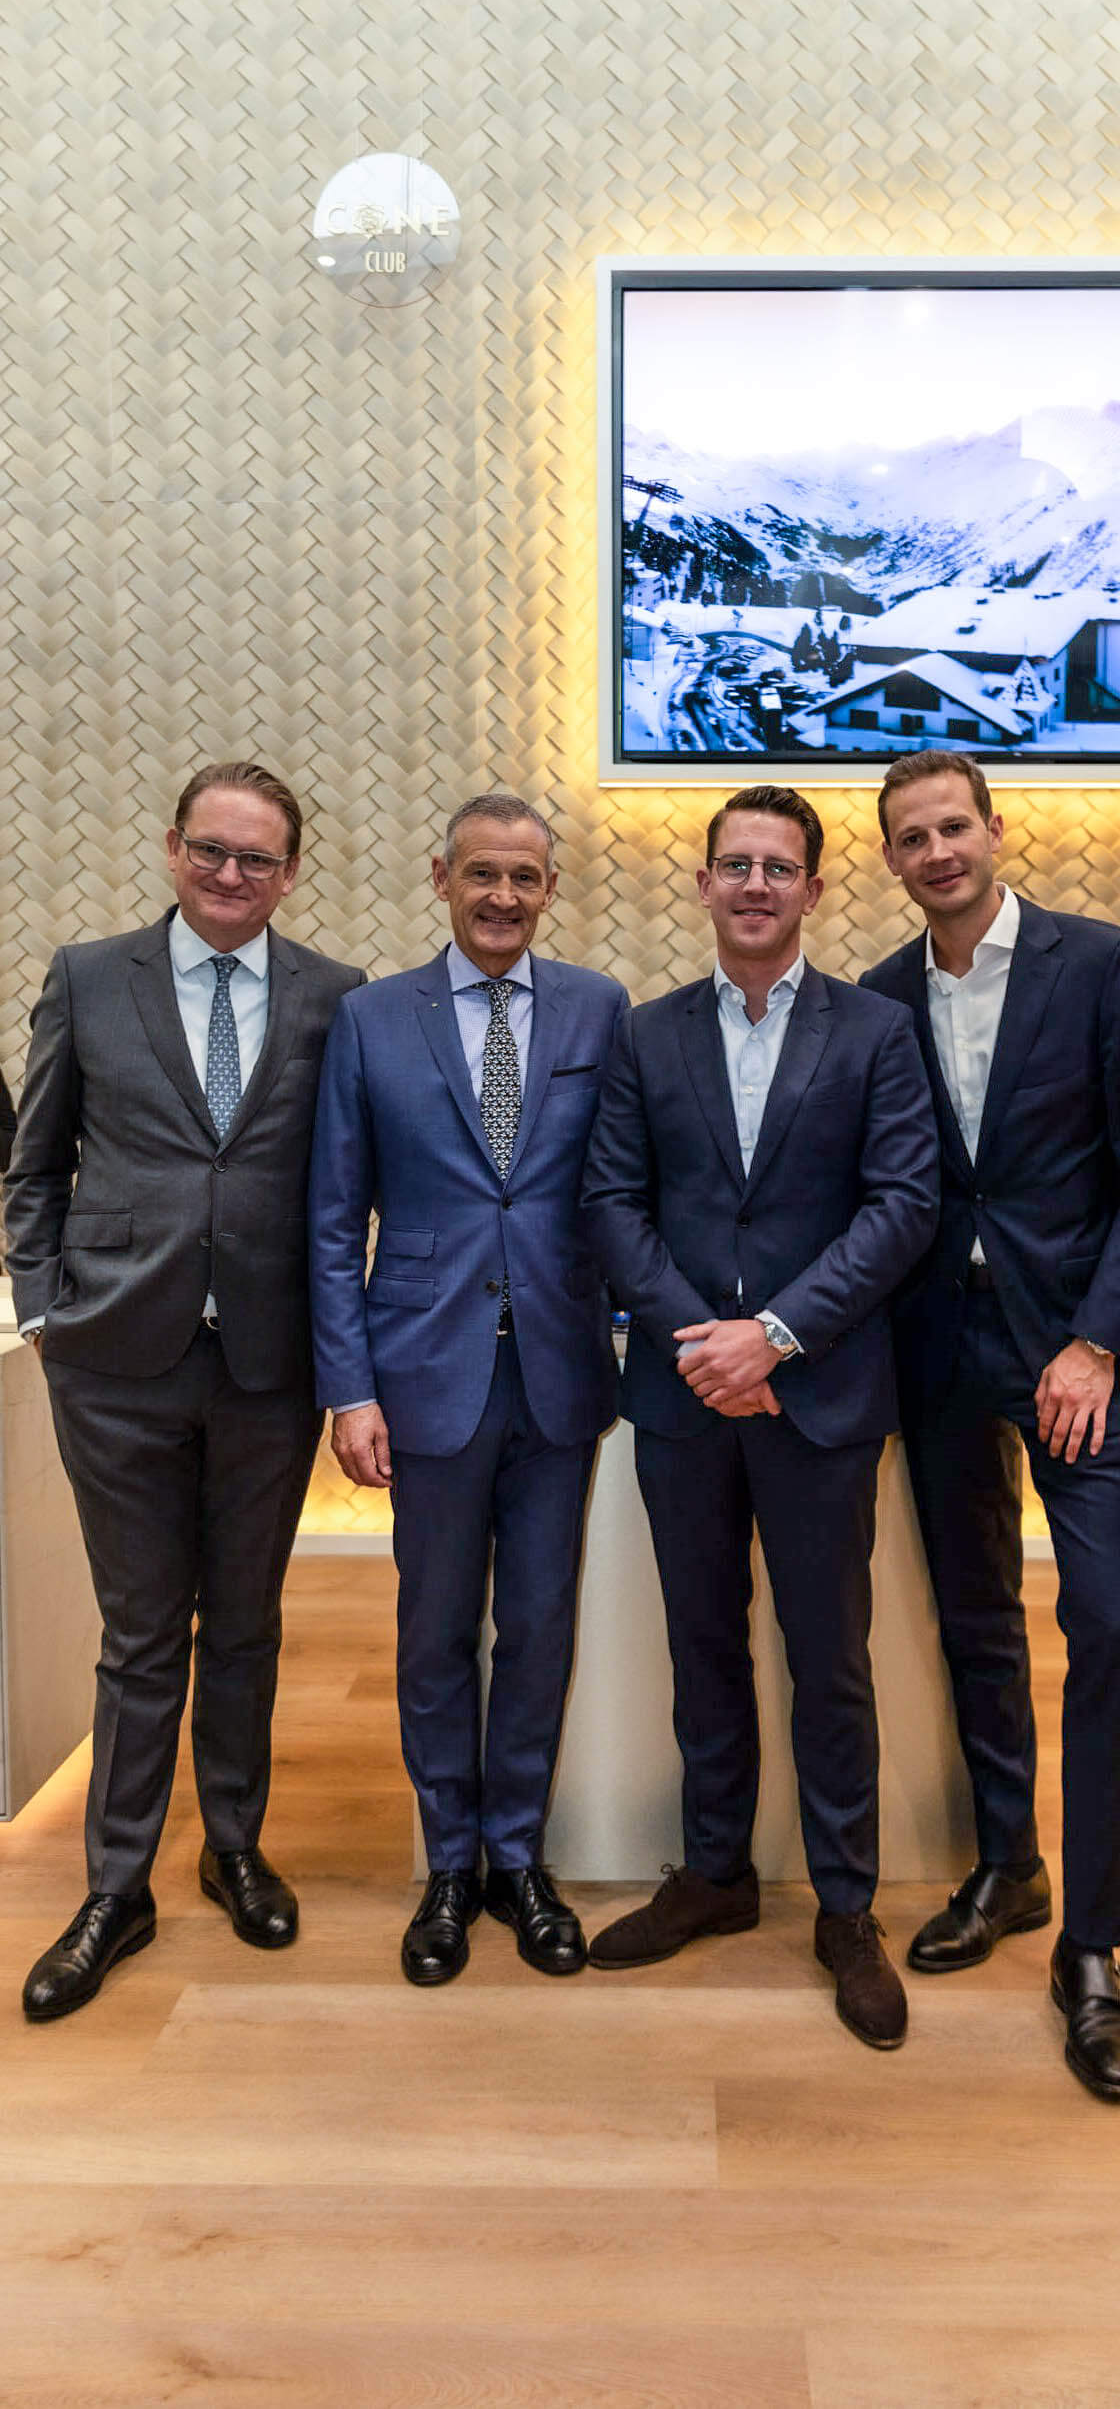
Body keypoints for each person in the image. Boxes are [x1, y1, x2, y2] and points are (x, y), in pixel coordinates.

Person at [581, 784, 938, 2049]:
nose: (753, 884)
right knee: (703, 1642)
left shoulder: (878, 1030)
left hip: (820, 1391)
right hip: (687, 1396)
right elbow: (613, 1200)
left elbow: (902, 1205)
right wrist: (705, 1343)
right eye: (733, 863)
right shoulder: (644, 1032)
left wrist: (775, 1335)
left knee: (830, 1655)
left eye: (778, 867)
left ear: (813, 891)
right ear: (704, 884)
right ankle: (715, 1871)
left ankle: (847, 1905)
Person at [5, 762, 363, 2021]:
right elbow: (33, 1159)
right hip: (112, 1358)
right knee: (142, 1629)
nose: (230, 876)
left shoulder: (338, 999)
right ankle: (117, 1885)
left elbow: (348, 1180)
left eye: (257, 860)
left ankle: (235, 1845)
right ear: (171, 849)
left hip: (272, 1364)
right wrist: (44, 1302)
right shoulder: (89, 976)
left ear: (290, 873)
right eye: (211, 851)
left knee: (250, 1619)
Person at [862, 750, 1120, 2102]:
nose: (935, 851)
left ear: (994, 833)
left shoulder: (1098, 966)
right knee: (974, 1618)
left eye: (952, 826)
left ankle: (1095, 1952)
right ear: (887, 862)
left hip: (1083, 1363)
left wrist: (1091, 1342)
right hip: (938, 1354)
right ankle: (1009, 1863)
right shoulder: (880, 1000)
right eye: (909, 837)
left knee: (1108, 1624)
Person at [308, 794, 627, 1986]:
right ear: (440, 876)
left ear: (551, 890)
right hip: (421, 1369)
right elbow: (336, 1220)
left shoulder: (599, 1008)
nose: (503, 897)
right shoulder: (370, 1018)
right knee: (436, 1629)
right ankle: (447, 1863)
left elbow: (621, 1188)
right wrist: (348, 1387)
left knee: (541, 1627)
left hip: (560, 1369)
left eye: (526, 879)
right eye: (482, 875)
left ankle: (516, 1858)